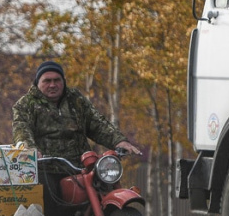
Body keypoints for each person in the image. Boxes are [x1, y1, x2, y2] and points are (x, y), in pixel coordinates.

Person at [11, 60, 142, 159]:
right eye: (47, 81)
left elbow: (97, 124)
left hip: (80, 167)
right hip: (44, 168)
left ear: (63, 81)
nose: (52, 85)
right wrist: (29, 150)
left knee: (106, 183)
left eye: (57, 80)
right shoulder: (25, 105)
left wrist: (119, 141)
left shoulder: (76, 100)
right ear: (37, 83)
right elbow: (22, 130)